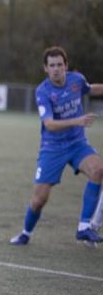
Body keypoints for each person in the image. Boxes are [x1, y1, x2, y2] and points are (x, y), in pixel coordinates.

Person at [10, 46, 103, 247]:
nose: (56, 69)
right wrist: (77, 121)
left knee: (98, 170)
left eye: (59, 65)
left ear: (66, 66)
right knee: (39, 200)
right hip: (52, 148)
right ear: (45, 68)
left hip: (78, 144)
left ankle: (84, 227)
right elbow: (49, 124)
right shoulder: (43, 91)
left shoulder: (76, 80)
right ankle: (26, 233)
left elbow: (90, 89)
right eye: (52, 65)